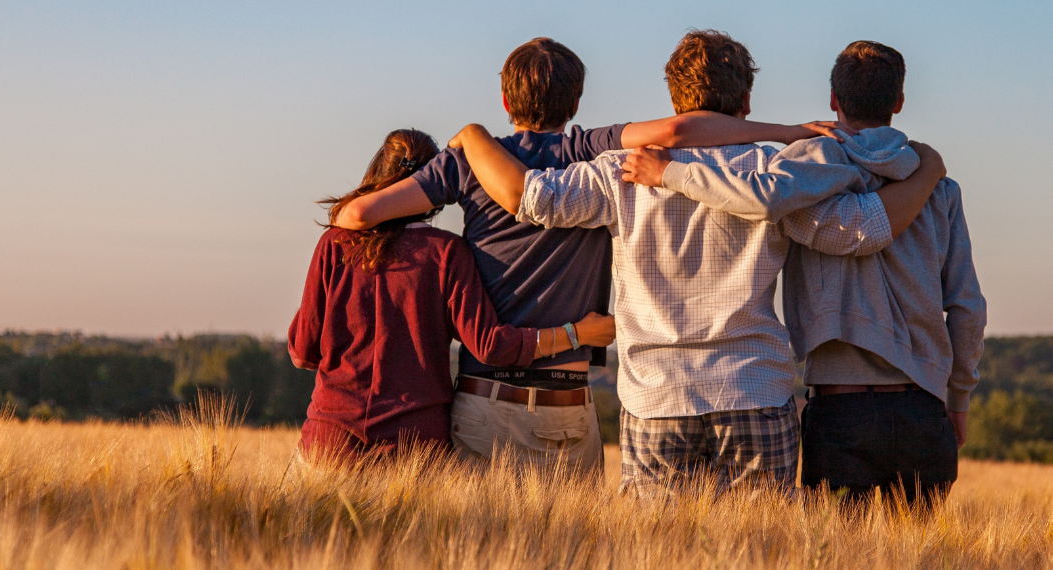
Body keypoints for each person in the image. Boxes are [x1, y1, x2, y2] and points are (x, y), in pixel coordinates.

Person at [448, 30, 947, 494]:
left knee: (657, 549)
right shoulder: (774, 174)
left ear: (673, 100)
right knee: (762, 550)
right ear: (746, 102)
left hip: (656, 398)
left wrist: (473, 137)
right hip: (754, 389)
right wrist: (927, 172)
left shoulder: (619, 172)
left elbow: (532, 198)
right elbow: (860, 231)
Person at [331, 37, 848, 473]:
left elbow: (357, 218)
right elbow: (677, 131)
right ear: (576, 102)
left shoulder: (472, 163)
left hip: (493, 395)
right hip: (577, 399)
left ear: (505, 100)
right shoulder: (589, 150)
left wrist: (467, 141)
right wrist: (788, 133)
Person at [629, 42, 986, 506]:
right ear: (898, 102)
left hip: (840, 409)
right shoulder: (940, 189)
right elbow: (966, 307)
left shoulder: (803, 171)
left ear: (834, 99)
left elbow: (759, 197)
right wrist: (958, 397)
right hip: (924, 409)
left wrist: (671, 173)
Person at [287, 129, 615, 461]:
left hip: (329, 442)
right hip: (414, 449)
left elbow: (303, 352)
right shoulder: (447, 252)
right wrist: (579, 333)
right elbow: (490, 346)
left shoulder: (335, 245)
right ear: (433, 185)